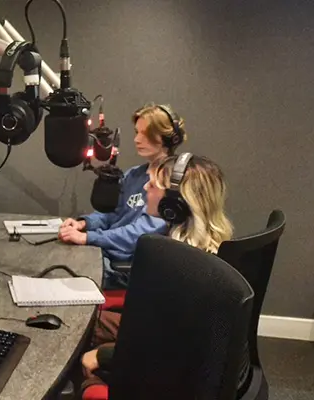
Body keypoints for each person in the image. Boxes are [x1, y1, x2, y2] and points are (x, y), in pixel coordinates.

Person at [80, 153, 235, 391]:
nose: (145, 187)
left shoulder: (179, 264)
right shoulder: (210, 250)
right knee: (81, 324)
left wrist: (102, 356)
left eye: (152, 185)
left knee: (77, 352)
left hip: (162, 371)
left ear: (175, 204)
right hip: (167, 348)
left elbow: (168, 344)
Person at [58, 104, 188, 288]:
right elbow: (111, 212)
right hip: (104, 252)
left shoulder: (171, 186)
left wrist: (88, 238)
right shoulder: (133, 175)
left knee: (63, 273)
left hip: (127, 268)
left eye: (145, 134)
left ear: (168, 138)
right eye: (137, 132)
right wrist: (83, 223)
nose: (137, 139)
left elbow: (140, 234)